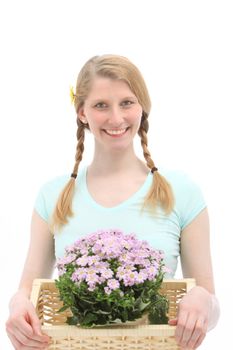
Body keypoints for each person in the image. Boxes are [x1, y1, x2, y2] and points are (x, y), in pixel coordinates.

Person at [6, 54, 220, 350]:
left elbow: (211, 306)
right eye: (101, 105)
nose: (116, 118)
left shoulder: (181, 192)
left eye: (127, 103)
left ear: (142, 107)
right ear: (82, 112)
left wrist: (204, 301)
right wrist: (17, 306)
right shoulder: (53, 196)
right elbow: (27, 293)